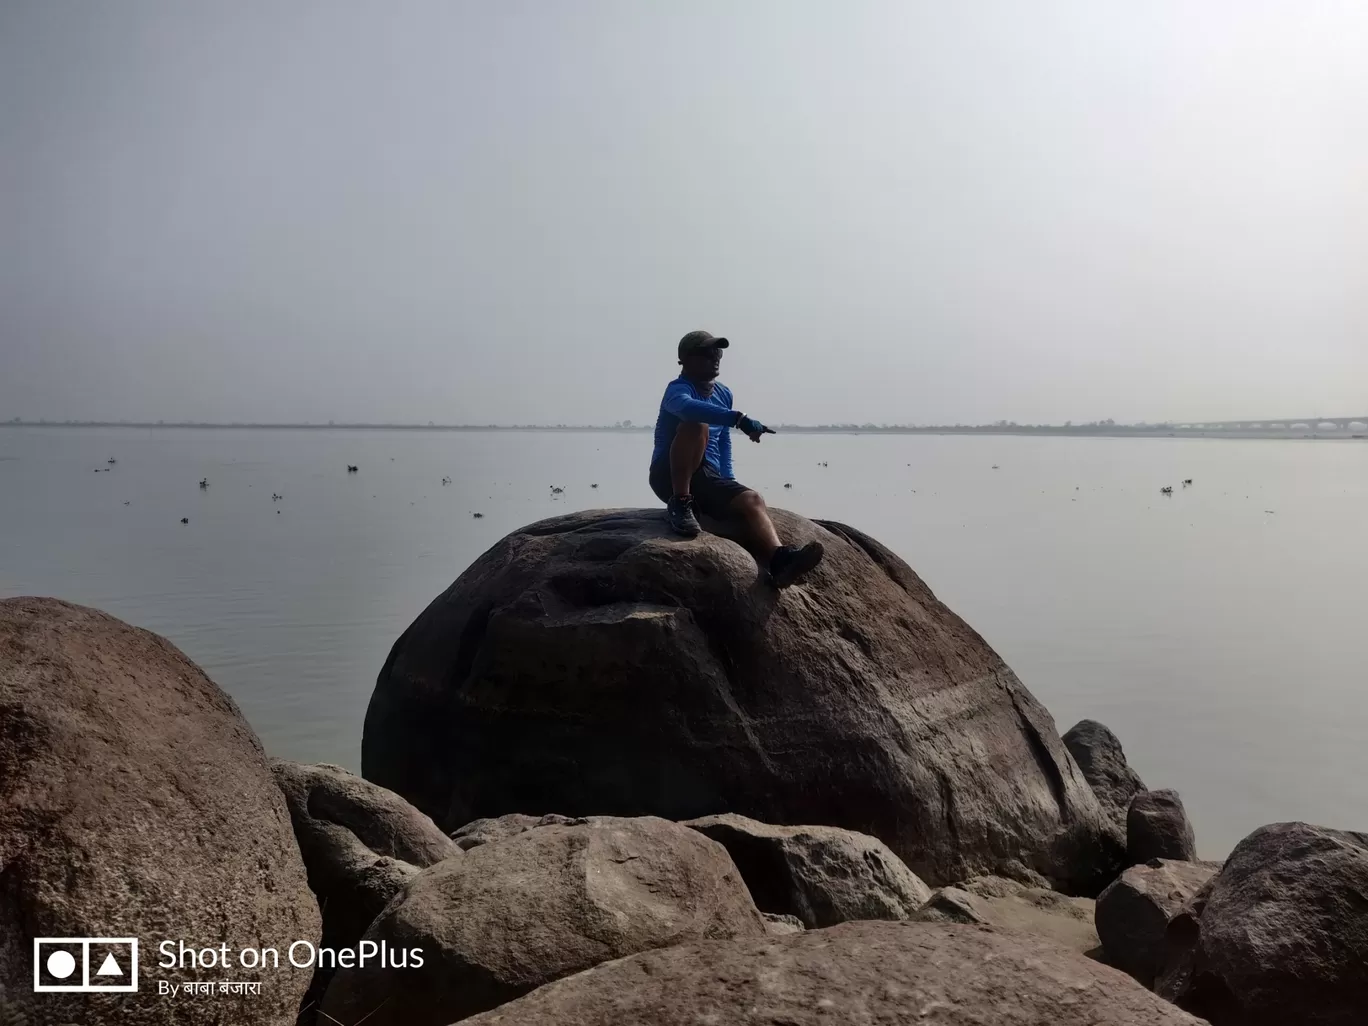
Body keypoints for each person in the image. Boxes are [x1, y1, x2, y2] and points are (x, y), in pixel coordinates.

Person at [649, 330, 824, 588]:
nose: (715, 358)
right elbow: (687, 409)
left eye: (717, 353)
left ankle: (779, 560)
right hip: (670, 473)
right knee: (697, 424)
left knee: (752, 500)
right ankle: (680, 502)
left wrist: (727, 482)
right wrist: (738, 418)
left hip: (708, 475)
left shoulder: (723, 393)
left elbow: (723, 442)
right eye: (707, 353)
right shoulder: (677, 390)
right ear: (685, 360)